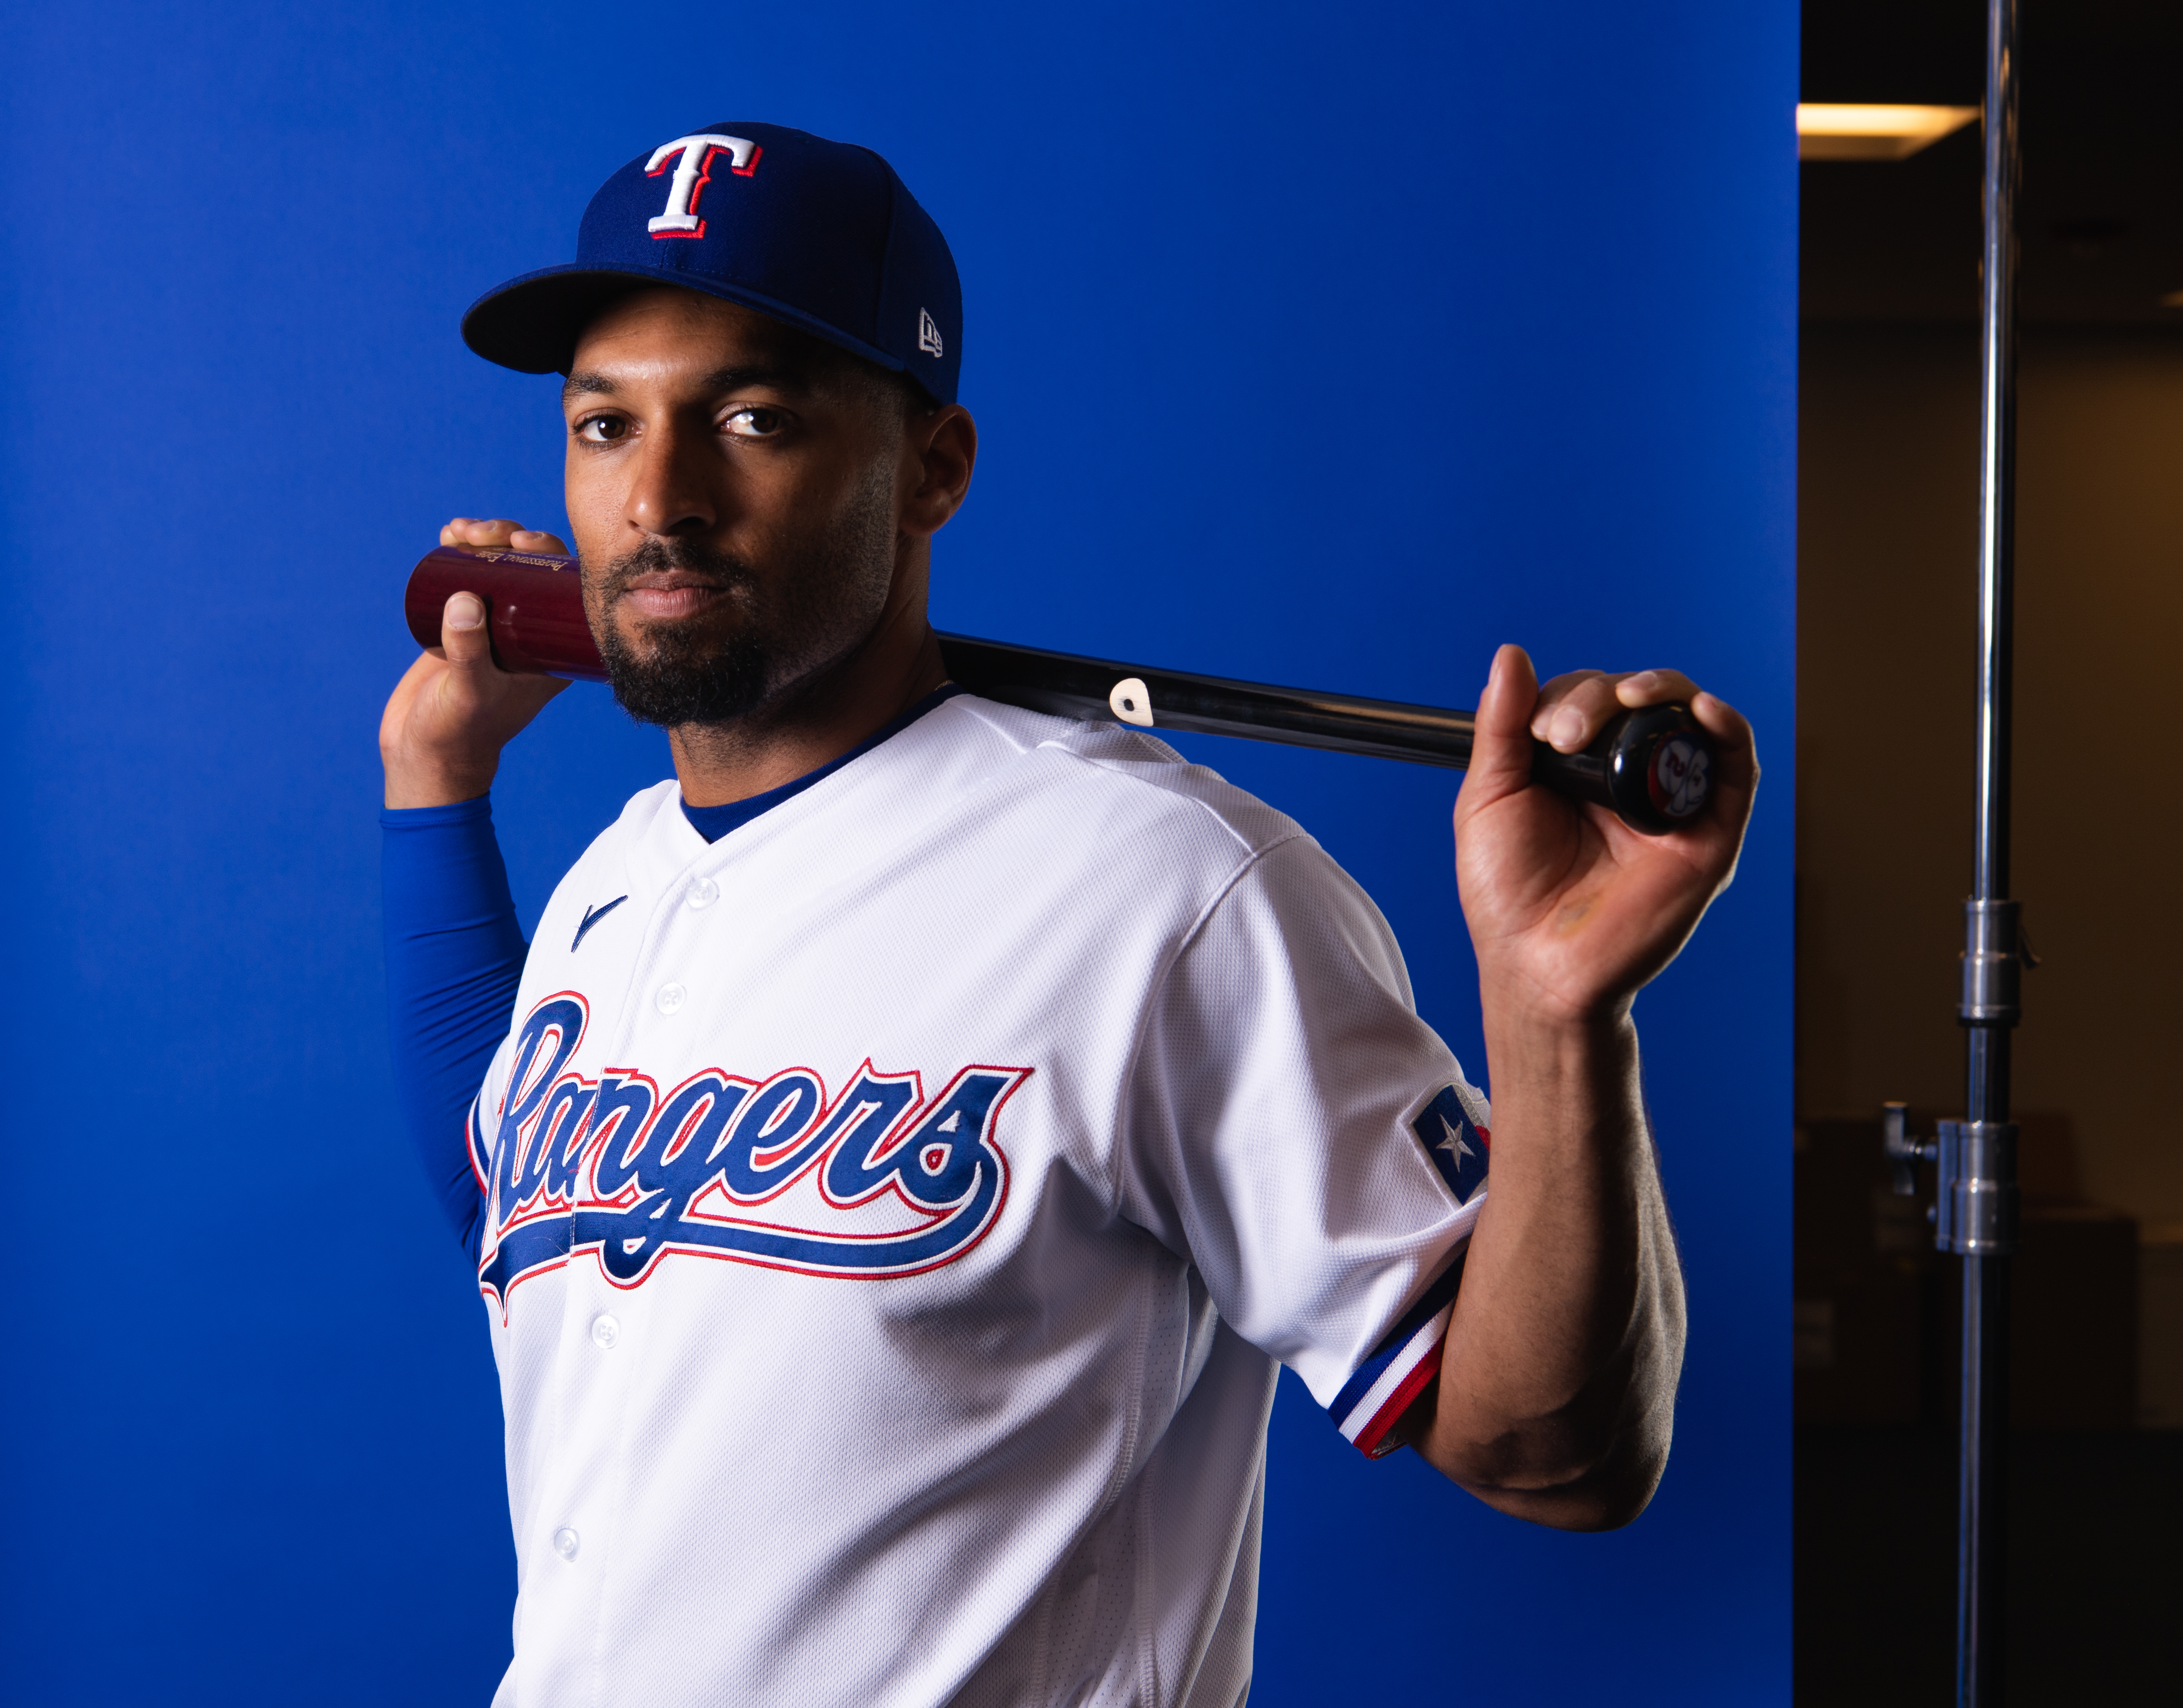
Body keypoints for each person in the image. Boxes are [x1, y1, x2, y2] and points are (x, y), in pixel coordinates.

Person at [378, 121, 1755, 1707]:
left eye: (754, 417)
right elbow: (515, 1212)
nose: (661, 500)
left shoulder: (1162, 883)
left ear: (933, 470)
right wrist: (438, 787)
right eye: (607, 425)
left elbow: (1550, 1452)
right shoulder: (617, 876)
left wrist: (1561, 1016)